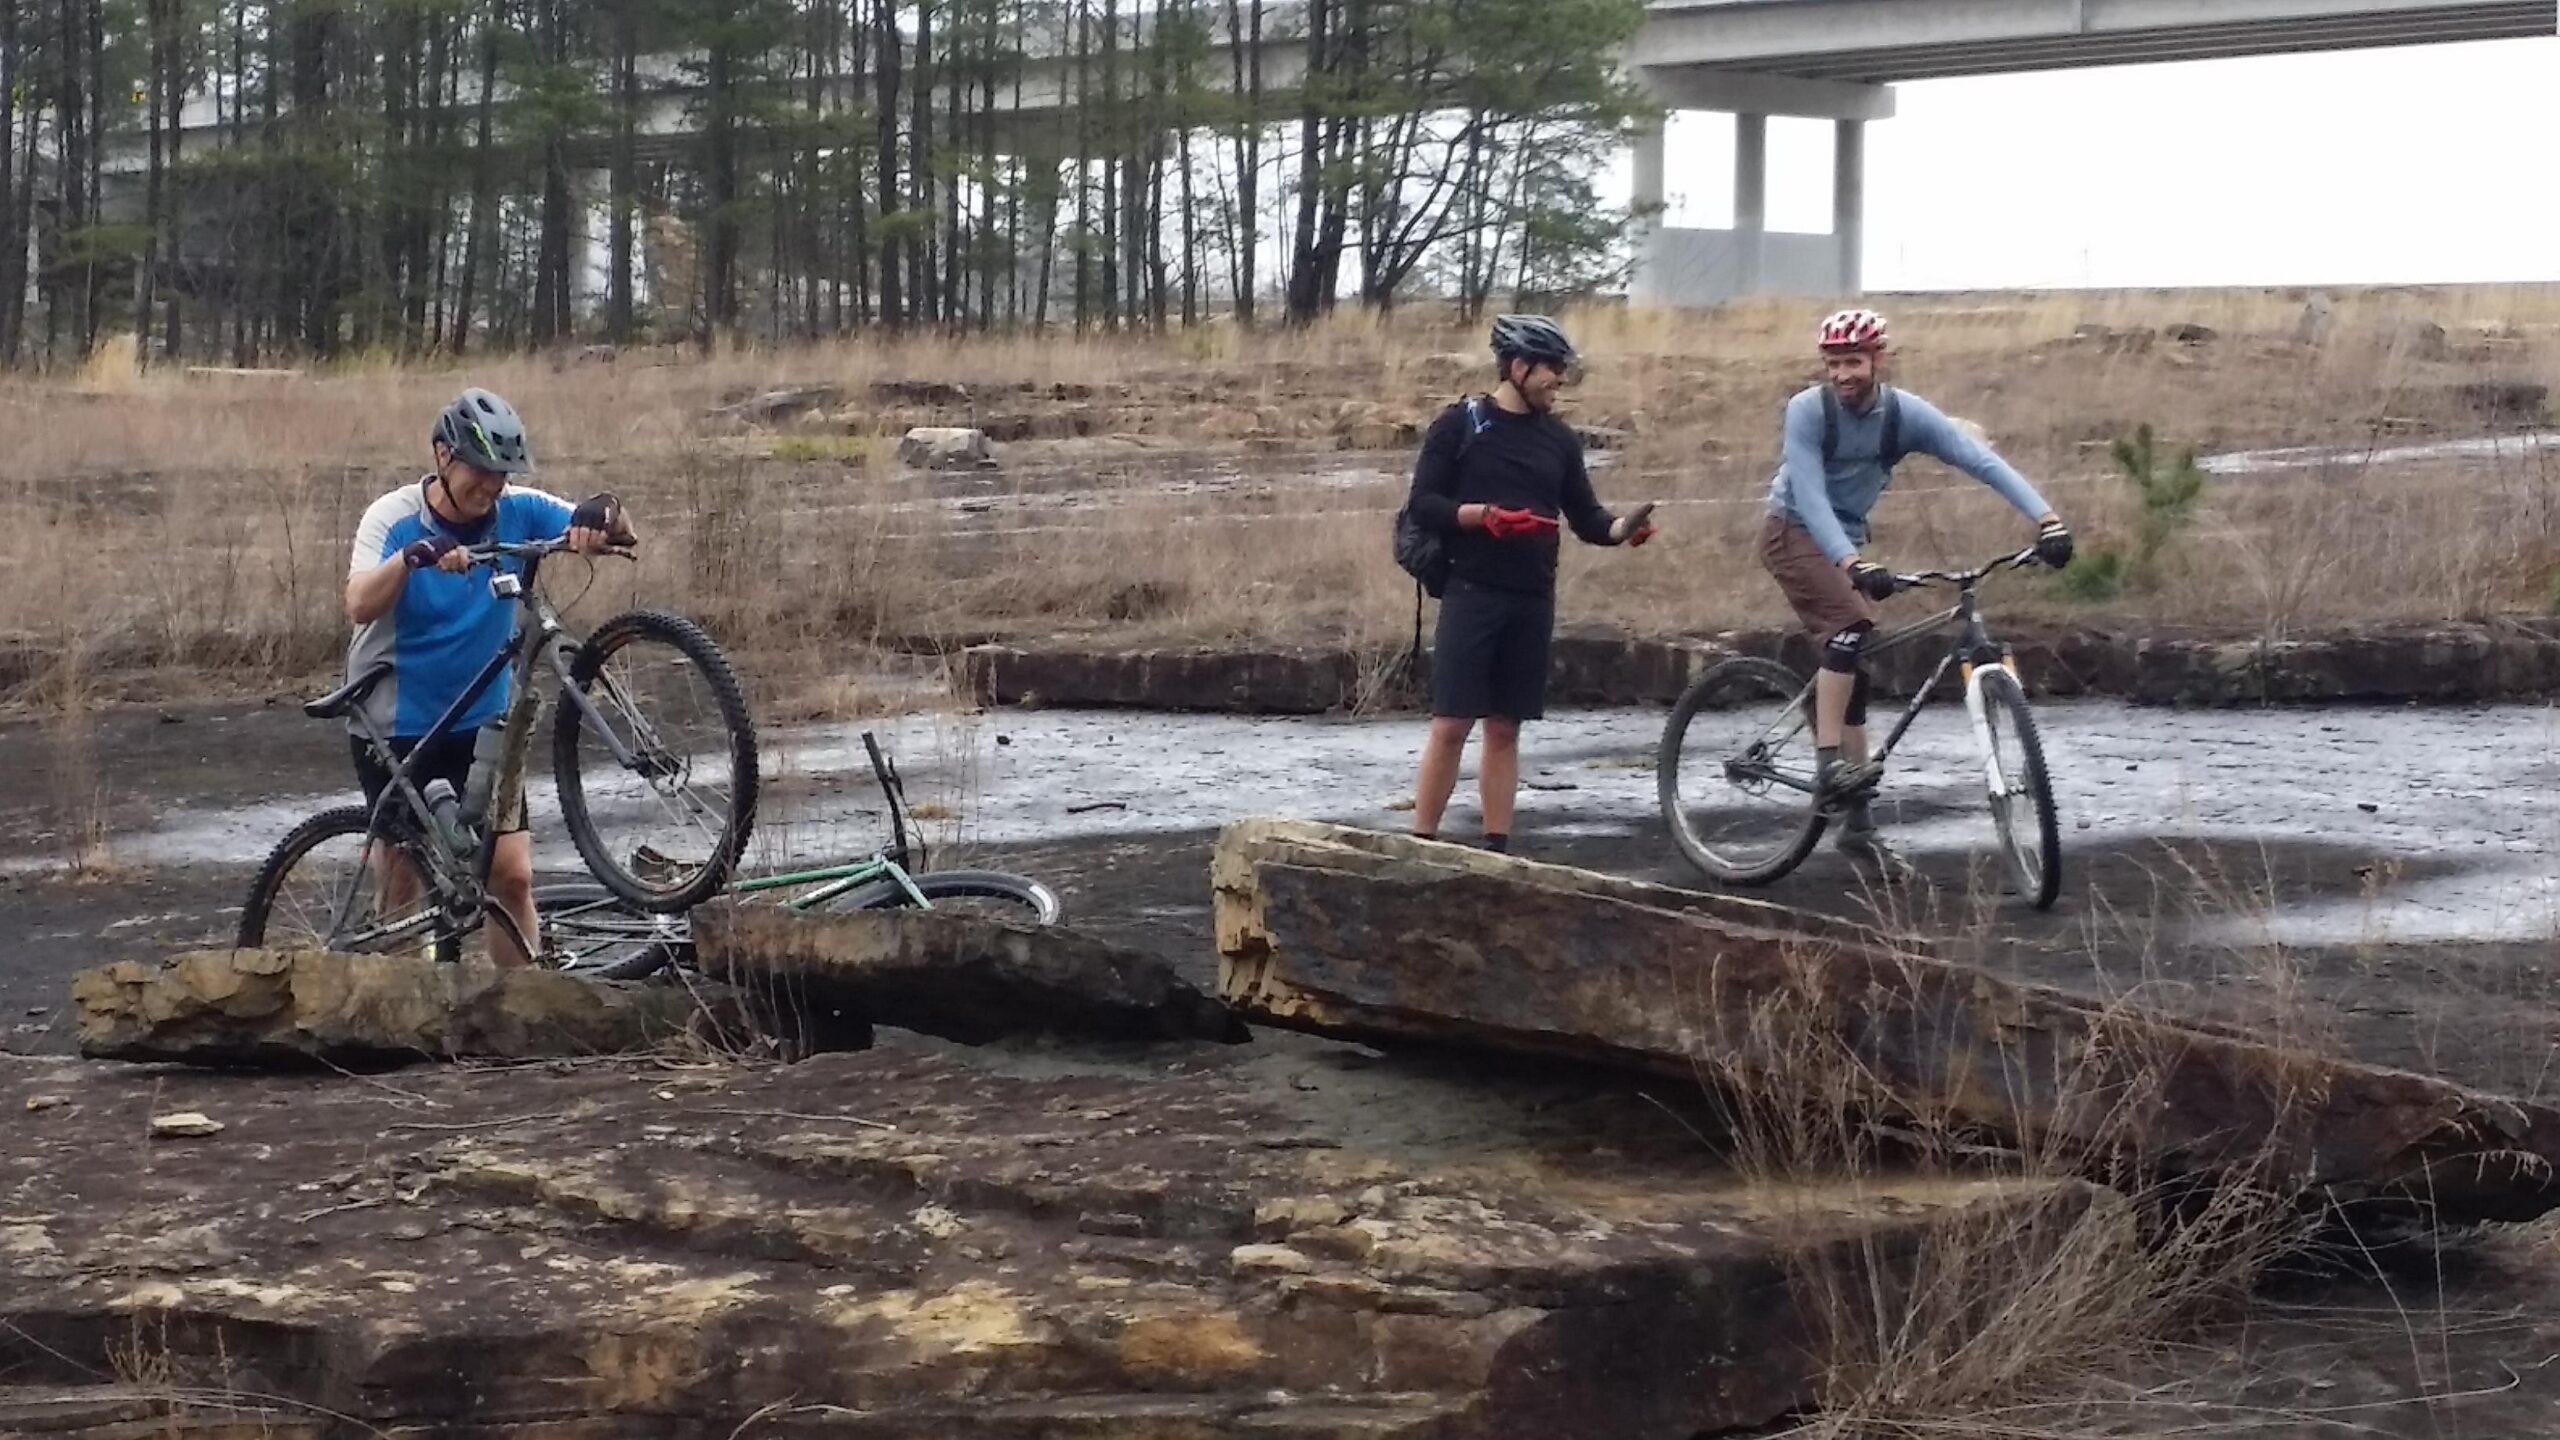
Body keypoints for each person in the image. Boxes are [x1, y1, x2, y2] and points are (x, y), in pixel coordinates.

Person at [1761, 307, 2074, 872]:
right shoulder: (1808, 411)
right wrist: (1852, 562)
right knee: (1849, 626)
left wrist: (2047, 519)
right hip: (1793, 532)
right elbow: (1806, 494)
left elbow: (1981, 461)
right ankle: (1830, 762)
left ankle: (1856, 825)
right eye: (1832, 363)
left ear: (1880, 360)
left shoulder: (1903, 415)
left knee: (1853, 657)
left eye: (1853, 361)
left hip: (1847, 540)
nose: (1842, 375)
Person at [342, 387, 635, 966]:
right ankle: (399, 1018)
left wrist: (605, 514)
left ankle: (520, 1010)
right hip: (399, 724)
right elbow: (358, 604)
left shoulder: (518, 509)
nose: (493, 485)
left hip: (485, 726)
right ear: (442, 456)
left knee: (512, 878)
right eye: (481, 470)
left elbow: (616, 527)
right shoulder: (393, 517)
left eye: (503, 472)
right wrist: (412, 558)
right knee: (404, 878)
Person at [1402, 314, 1657, 854]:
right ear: (1518, 367)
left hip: (1533, 597)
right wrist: (1482, 516)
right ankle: (1420, 843)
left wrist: (1622, 531)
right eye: (1553, 370)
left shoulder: (1559, 440)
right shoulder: (1460, 425)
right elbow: (1424, 504)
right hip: (1473, 590)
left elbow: (1586, 516)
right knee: (1452, 723)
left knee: (1505, 727)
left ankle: (1497, 846)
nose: (1561, 380)